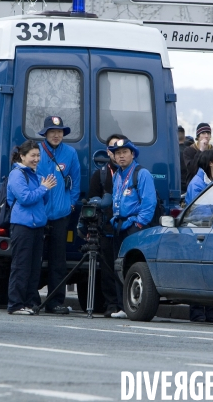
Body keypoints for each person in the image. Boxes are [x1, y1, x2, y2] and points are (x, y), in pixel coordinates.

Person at [36, 116, 81, 315]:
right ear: (45, 133)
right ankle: (31, 299)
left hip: (61, 214)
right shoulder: (36, 152)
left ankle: (55, 302)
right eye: (52, 131)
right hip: (38, 213)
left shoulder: (70, 153)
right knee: (34, 258)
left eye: (60, 132)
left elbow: (76, 181)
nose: (56, 135)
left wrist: (71, 204)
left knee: (58, 260)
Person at [6, 141, 57, 315]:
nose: (36, 159)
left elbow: (43, 201)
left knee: (34, 267)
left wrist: (46, 190)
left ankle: (29, 302)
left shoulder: (35, 174)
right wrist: (44, 188)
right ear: (22, 156)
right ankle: (15, 304)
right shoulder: (17, 174)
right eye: (32, 155)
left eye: (38, 155)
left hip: (38, 226)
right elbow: (25, 198)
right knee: (21, 266)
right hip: (22, 226)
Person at [109, 138, 157, 319]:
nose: (121, 156)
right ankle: (122, 306)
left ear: (132, 154)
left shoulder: (141, 173)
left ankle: (132, 305)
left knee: (132, 266)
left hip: (133, 227)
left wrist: (137, 224)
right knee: (118, 266)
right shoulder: (117, 175)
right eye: (117, 153)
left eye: (124, 153)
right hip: (119, 226)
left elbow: (149, 203)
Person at [88, 133, 127, 317]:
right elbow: (91, 200)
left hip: (126, 228)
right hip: (106, 229)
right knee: (107, 269)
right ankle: (111, 304)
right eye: (113, 149)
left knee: (125, 267)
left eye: (121, 150)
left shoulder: (133, 173)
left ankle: (125, 304)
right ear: (108, 152)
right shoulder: (101, 175)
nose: (117, 153)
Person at [184, 149, 213, 323]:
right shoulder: (197, 184)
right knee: (199, 272)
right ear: (210, 163)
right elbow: (198, 211)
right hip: (198, 233)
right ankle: (198, 312)